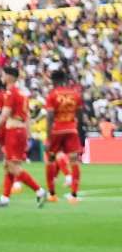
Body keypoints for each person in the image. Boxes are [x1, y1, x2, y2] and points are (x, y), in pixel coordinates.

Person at [0, 65, 46, 208]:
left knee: (13, 166)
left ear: (9, 76)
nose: (1, 77)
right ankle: (5, 198)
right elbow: (27, 117)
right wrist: (28, 135)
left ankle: (39, 191)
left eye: (3, 74)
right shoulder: (22, 94)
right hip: (20, 131)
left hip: (14, 131)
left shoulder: (11, 93)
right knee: (8, 165)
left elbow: (4, 115)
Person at [43, 68, 85, 204]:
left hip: (57, 130)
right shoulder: (75, 94)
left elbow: (49, 116)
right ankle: (73, 195)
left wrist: (49, 137)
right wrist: (76, 129)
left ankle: (52, 194)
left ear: (53, 81)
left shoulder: (52, 95)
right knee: (74, 161)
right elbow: (80, 115)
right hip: (71, 129)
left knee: (50, 159)